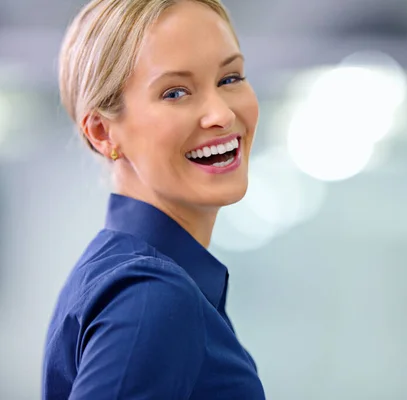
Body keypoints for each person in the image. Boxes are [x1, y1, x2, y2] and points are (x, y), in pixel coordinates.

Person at [42, 0, 264, 398]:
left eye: (230, 78)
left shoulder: (130, 277)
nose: (220, 114)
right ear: (102, 133)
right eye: (175, 92)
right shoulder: (152, 296)